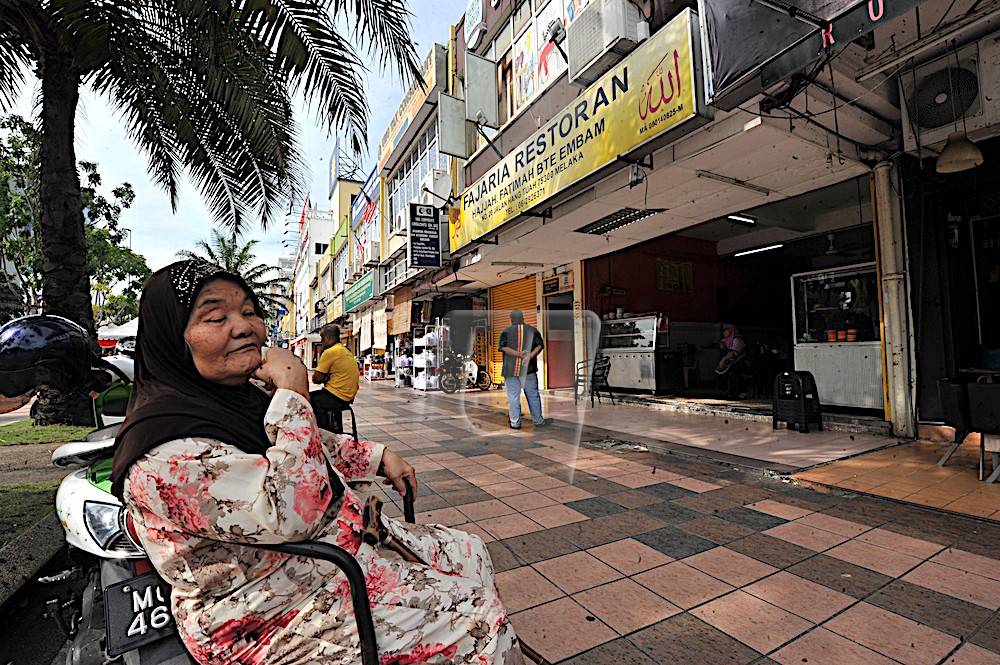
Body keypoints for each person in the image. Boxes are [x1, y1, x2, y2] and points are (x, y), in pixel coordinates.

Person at [110, 260, 525, 665]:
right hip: (264, 614)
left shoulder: (238, 397)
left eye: (250, 312)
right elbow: (293, 510)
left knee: (469, 552)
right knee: (479, 620)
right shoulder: (164, 454)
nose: (244, 327)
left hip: (326, 556)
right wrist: (293, 393)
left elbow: (310, 443)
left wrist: (378, 456)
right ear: (172, 340)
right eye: (216, 318)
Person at [498, 310, 547, 429]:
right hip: (528, 369)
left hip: (510, 370)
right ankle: (538, 420)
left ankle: (515, 423)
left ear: (511, 319)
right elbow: (540, 345)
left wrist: (519, 354)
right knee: (533, 395)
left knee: (513, 396)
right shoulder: (532, 330)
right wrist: (529, 356)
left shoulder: (506, 332)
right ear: (522, 318)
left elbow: (503, 347)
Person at [311, 324, 359, 433]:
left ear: (327, 337)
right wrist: (326, 377)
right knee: (318, 397)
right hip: (348, 396)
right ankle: (335, 428)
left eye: (322, 337)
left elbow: (316, 378)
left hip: (336, 396)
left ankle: (324, 432)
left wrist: (325, 377)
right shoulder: (346, 350)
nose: (321, 341)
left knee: (306, 400)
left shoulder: (330, 352)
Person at [715, 323, 751, 399]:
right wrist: (722, 344)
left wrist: (723, 359)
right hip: (736, 362)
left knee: (732, 370)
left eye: (726, 330)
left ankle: (743, 391)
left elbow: (734, 353)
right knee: (719, 370)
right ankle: (727, 390)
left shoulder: (737, 339)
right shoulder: (728, 340)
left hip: (745, 362)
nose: (724, 332)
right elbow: (721, 342)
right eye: (723, 331)